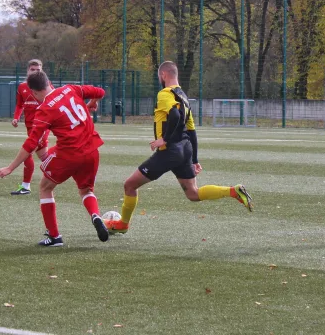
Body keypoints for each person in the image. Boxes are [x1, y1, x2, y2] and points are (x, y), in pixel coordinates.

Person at [104, 61, 253, 235]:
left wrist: (163, 139)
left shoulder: (165, 93)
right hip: (185, 149)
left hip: (170, 151)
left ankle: (123, 224)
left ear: (163, 75)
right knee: (193, 194)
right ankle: (233, 191)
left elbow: (174, 115)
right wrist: (194, 159)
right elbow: (192, 131)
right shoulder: (184, 97)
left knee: (129, 185)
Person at [0, 70, 109, 246]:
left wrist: (10, 168)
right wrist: (93, 101)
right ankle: (95, 215)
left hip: (69, 155)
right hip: (92, 150)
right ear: (49, 82)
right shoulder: (71, 89)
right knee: (86, 190)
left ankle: (54, 236)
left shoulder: (45, 109)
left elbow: (31, 143)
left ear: (33, 92)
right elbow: (100, 92)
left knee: (45, 188)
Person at [10, 59, 51, 195]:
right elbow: (19, 104)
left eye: (38, 70)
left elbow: (54, 102)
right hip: (30, 127)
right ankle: (63, 170)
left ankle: (26, 186)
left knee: (27, 153)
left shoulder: (46, 86)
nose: (35, 72)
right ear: (27, 71)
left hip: (42, 125)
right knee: (44, 157)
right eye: (33, 70)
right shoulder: (22, 87)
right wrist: (16, 117)